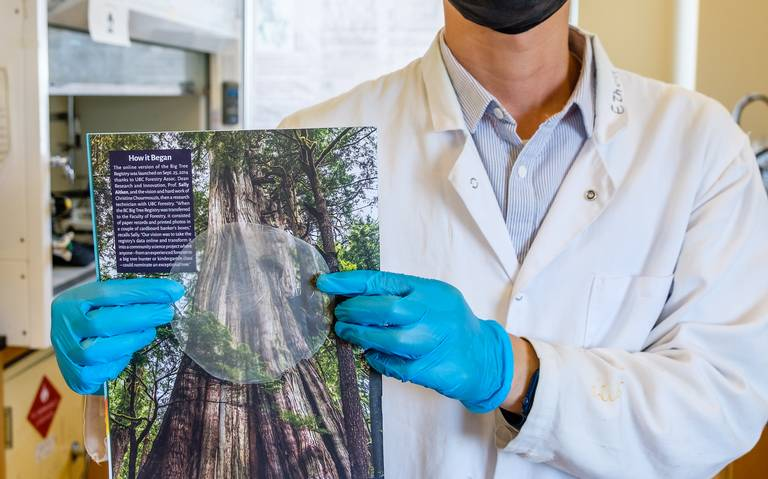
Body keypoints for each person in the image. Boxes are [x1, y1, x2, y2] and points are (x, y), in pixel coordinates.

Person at [51, 1, 768, 477]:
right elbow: (240, 397)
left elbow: (726, 404)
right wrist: (118, 377)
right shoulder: (310, 140)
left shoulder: (701, 147)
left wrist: (512, 369)